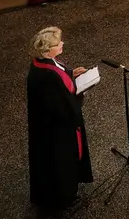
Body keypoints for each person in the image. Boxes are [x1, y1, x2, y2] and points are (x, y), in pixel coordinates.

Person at [27, 27, 93, 211]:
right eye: (58, 43)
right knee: (60, 164)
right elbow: (61, 106)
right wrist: (80, 93)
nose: (62, 43)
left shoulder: (44, 63)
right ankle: (63, 199)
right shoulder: (46, 76)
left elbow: (61, 76)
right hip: (56, 133)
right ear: (48, 50)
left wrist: (72, 74)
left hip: (57, 126)